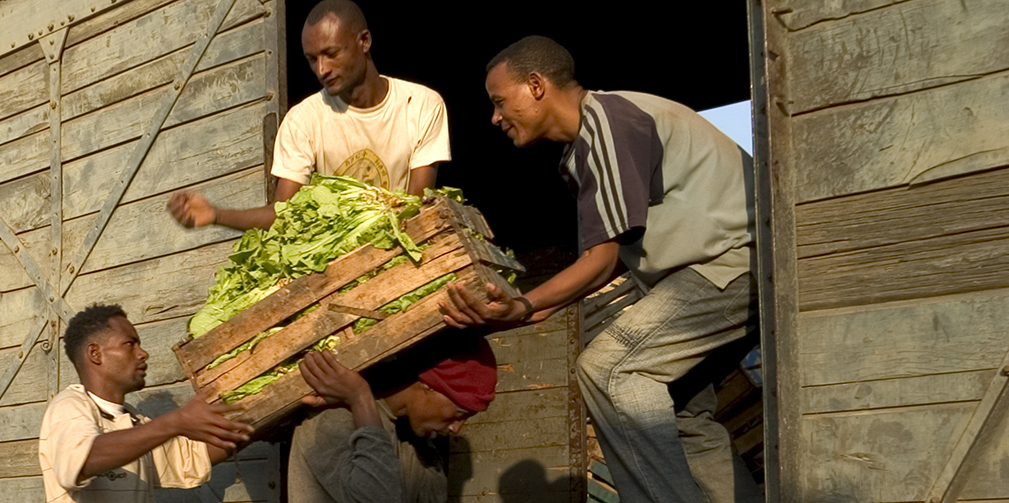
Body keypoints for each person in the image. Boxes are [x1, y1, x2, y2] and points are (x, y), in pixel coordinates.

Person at [441, 35, 760, 503]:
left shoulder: (607, 122)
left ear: (535, 86)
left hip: (731, 265)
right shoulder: (586, 146)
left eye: (499, 101)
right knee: (681, 416)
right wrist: (530, 311)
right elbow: (604, 259)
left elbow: (604, 258)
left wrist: (528, 303)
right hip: (714, 272)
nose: (495, 117)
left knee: (610, 370)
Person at [168, 0, 450, 230]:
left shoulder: (421, 105)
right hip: (334, 263)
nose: (321, 69)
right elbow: (284, 215)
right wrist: (217, 214)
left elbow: (415, 206)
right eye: (312, 59)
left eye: (330, 53)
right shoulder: (302, 121)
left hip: (400, 248)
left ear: (364, 41)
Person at [38, 304, 255, 503]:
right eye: (130, 344)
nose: (143, 354)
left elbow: (191, 459)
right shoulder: (69, 406)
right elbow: (83, 459)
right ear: (95, 354)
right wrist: (174, 422)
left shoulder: (133, 422)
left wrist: (259, 416)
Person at [289, 335, 498, 503]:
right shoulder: (333, 419)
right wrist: (361, 398)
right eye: (459, 414)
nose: (456, 428)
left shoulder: (417, 443)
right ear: (428, 386)